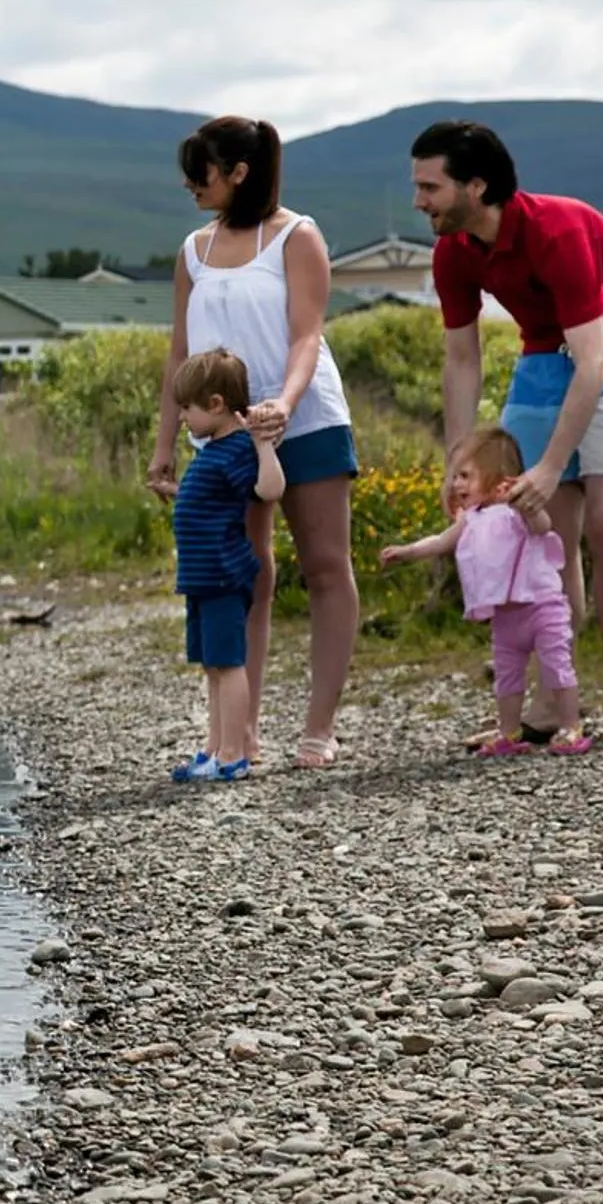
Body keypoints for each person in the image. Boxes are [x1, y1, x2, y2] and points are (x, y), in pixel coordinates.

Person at [412, 120, 603, 744]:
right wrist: (459, 458)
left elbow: (596, 363)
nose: (419, 201)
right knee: (544, 524)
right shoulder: (453, 250)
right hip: (541, 360)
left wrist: (553, 463)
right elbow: (462, 359)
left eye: (430, 187)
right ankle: (559, 701)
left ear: (477, 186)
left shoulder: (558, 229)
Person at [150, 116, 359, 770]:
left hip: (305, 415)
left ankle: (317, 729)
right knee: (247, 574)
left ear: (238, 172)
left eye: (200, 171)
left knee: (325, 565)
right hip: (224, 434)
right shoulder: (193, 250)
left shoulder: (296, 236)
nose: (189, 184)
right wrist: (163, 445)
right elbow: (180, 354)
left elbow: (306, 335)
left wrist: (283, 404)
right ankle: (239, 737)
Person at [380, 427, 593, 757]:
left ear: (498, 477)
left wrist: (526, 504)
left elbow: (543, 526)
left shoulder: (516, 512)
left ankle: (569, 726)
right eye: (455, 477)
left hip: (541, 606)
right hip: (505, 615)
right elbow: (440, 542)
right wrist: (408, 551)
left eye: (465, 476)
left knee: (557, 665)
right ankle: (509, 732)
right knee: (507, 676)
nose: (456, 485)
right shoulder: (472, 518)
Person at [167, 348, 286, 783]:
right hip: (201, 578)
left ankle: (234, 753)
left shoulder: (237, 447)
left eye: (187, 408)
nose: (182, 418)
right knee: (213, 665)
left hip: (221, 573)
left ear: (216, 405)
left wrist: (263, 444)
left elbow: (269, 490)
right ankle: (214, 747)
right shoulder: (213, 448)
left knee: (229, 662)